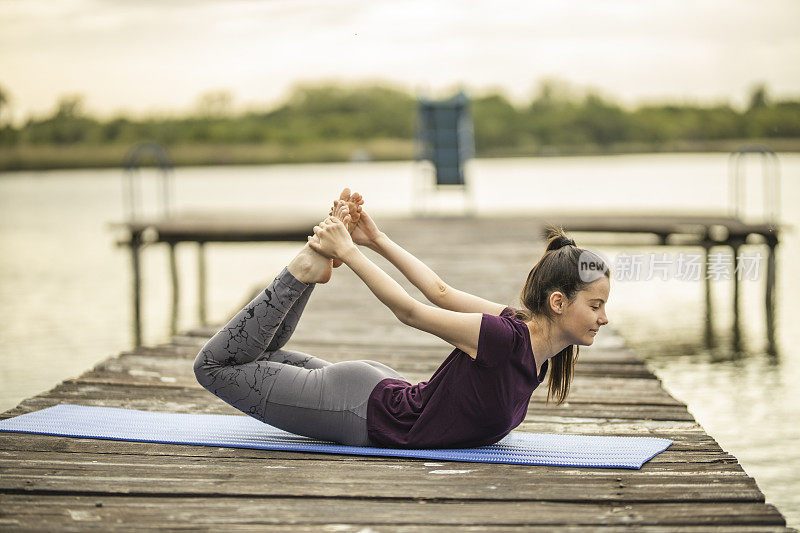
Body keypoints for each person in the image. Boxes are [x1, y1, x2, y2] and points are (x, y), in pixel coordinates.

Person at [194, 188, 610, 449]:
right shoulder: (505, 336)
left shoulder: (529, 341)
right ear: (558, 303)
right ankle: (305, 268)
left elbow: (439, 291)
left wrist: (375, 239)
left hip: (373, 394)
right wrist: (354, 251)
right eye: (595, 306)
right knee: (212, 367)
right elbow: (412, 310)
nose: (603, 318)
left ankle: (312, 267)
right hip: (357, 409)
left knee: (257, 355)